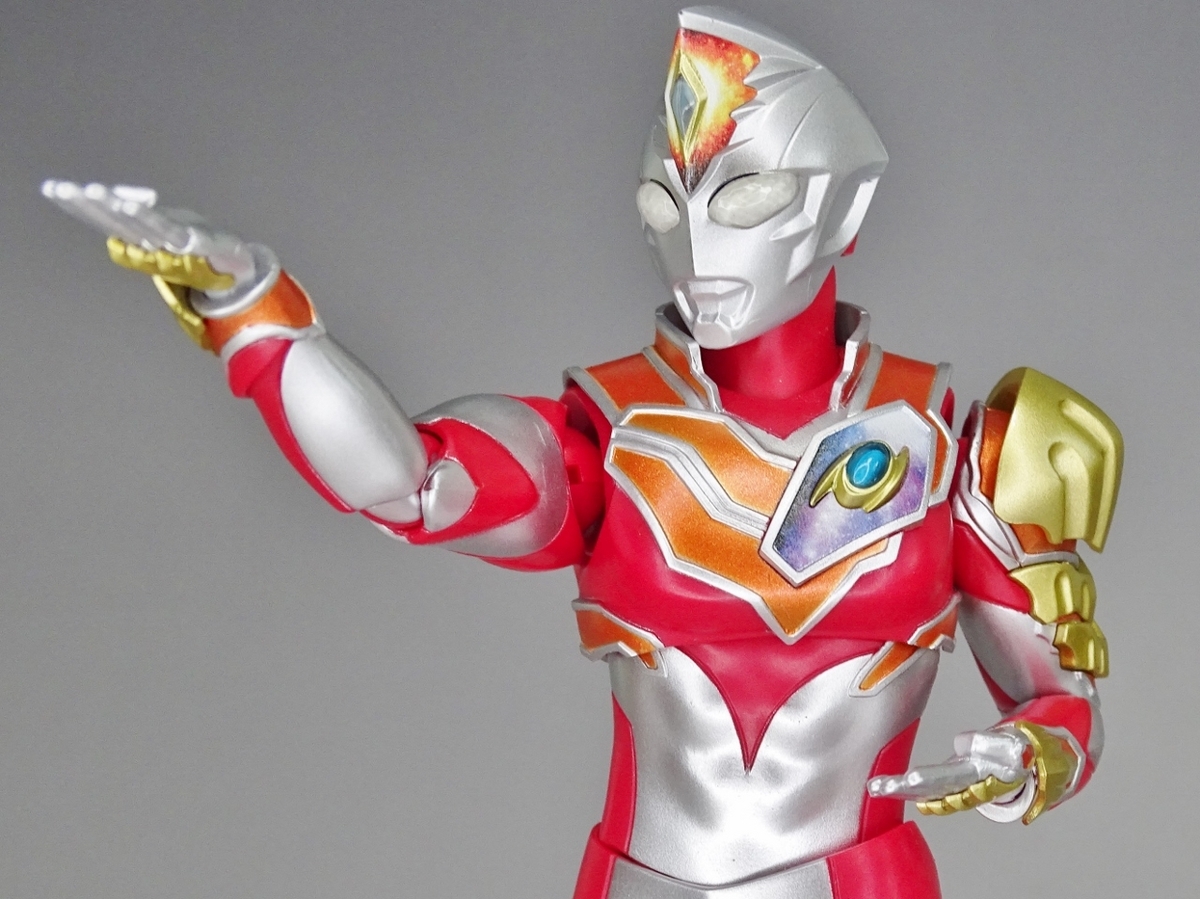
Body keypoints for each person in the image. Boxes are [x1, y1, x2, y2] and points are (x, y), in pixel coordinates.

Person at [44, 7, 1122, 898]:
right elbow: (406, 480)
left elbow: (1061, 701)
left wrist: (1028, 756)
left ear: (844, 205)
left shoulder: (958, 447)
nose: (698, 243)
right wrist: (258, 314)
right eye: (666, 198)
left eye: (744, 196)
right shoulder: (607, 432)